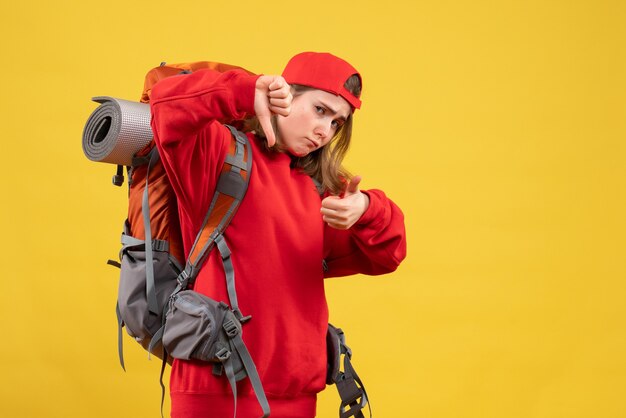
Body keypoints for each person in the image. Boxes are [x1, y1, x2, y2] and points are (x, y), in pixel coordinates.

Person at [150, 51, 407, 418]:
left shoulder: (320, 191)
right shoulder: (220, 154)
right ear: (284, 94)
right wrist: (243, 92)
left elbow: (389, 254)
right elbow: (166, 105)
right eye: (320, 110)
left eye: (337, 123)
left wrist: (367, 209)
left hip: (297, 397)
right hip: (214, 393)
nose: (325, 131)